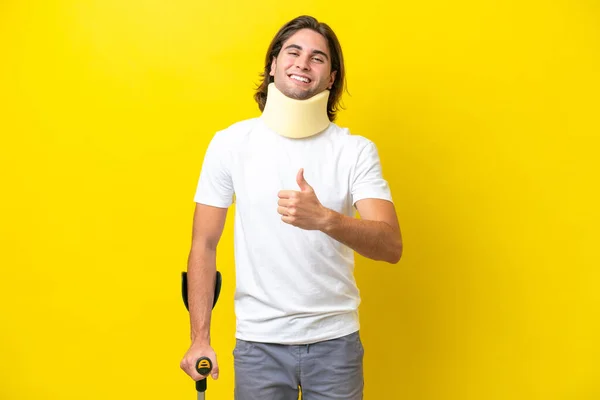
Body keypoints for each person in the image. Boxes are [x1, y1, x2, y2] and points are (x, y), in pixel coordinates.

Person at [180, 15, 403, 400]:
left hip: (335, 342)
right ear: (273, 64)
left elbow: (391, 246)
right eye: (293, 52)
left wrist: (326, 219)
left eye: (318, 58)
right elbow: (204, 244)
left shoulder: (354, 151)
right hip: (258, 342)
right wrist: (200, 338)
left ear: (331, 78)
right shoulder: (231, 143)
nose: (303, 62)